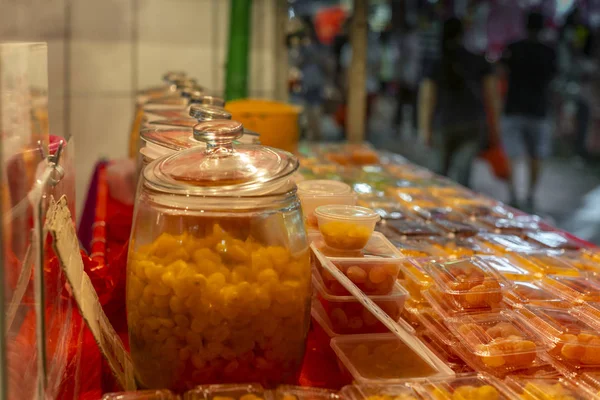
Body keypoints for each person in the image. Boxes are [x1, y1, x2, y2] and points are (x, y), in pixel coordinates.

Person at [418, 18, 500, 188]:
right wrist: (495, 127)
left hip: (443, 123)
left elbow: (427, 98)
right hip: (472, 124)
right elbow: (492, 97)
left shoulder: (436, 62)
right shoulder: (478, 61)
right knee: (462, 177)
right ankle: (458, 211)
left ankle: (438, 211)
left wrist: (424, 128)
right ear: (462, 34)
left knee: (438, 176)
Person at [501, 12, 556, 209]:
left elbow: (501, 72)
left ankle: (513, 194)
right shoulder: (549, 51)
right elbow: (553, 79)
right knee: (536, 155)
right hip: (539, 110)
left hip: (513, 107)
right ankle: (530, 195)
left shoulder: (513, 48)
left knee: (511, 154)